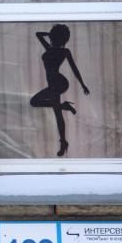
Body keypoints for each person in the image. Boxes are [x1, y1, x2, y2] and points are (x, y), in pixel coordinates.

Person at [30, 24, 90, 157]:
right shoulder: (49, 48)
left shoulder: (64, 52)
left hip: (60, 83)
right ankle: (63, 138)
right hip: (53, 84)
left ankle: (63, 141)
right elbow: (38, 34)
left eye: (55, 36)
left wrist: (83, 85)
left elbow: (74, 69)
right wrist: (51, 34)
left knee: (47, 108)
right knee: (39, 104)